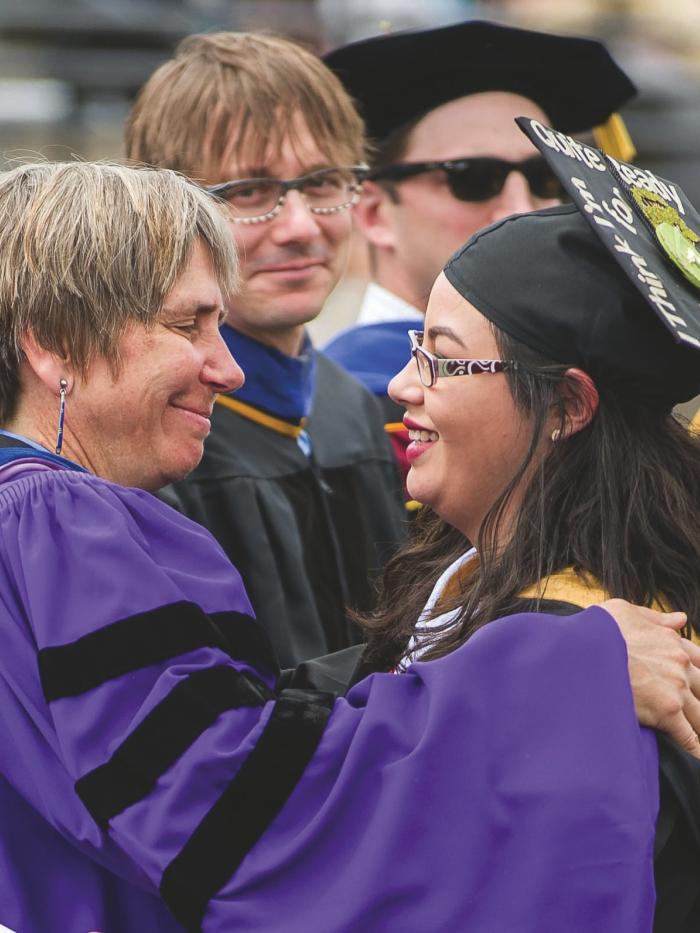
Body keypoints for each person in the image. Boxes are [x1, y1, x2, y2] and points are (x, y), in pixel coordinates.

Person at [0, 159, 697, 933]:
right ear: (54, 342)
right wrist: (569, 670)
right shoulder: (55, 520)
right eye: (188, 324)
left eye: (441, 355)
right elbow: (227, 807)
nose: (228, 367)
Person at [355, 118, 700, 930]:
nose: (404, 385)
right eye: (416, 345)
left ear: (568, 406)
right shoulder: (480, 587)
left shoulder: (601, 666)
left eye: (441, 356)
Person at [124, 32, 405, 668]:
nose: (302, 224)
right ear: (170, 212)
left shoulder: (349, 406)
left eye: (324, 182)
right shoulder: (152, 432)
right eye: (250, 192)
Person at [322, 20, 637, 486]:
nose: (520, 208)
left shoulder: (587, 378)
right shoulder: (351, 404)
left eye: (544, 176)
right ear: (374, 213)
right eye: (472, 177)